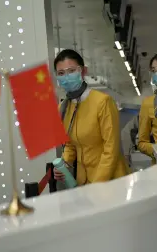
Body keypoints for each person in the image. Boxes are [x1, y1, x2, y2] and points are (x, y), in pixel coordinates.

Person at [53, 49, 128, 186]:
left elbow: (111, 148)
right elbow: (70, 144)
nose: (66, 76)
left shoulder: (102, 102)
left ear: (83, 71)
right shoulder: (64, 108)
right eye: (61, 73)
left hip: (110, 179)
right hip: (84, 181)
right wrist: (65, 163)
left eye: (71, 71)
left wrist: (97, 185)